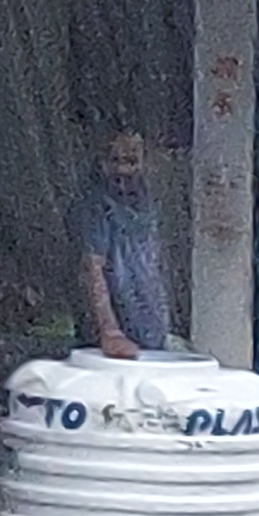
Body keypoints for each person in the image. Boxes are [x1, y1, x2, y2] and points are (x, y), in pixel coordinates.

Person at [76, 126, 174, 359]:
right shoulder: (97, 207)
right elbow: (92, 269)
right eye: (114, 160)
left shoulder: (146, 205)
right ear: (102, 163)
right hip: (116, 344)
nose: (122, 170)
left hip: (150, 334)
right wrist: (109, 330)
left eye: (130, 160)